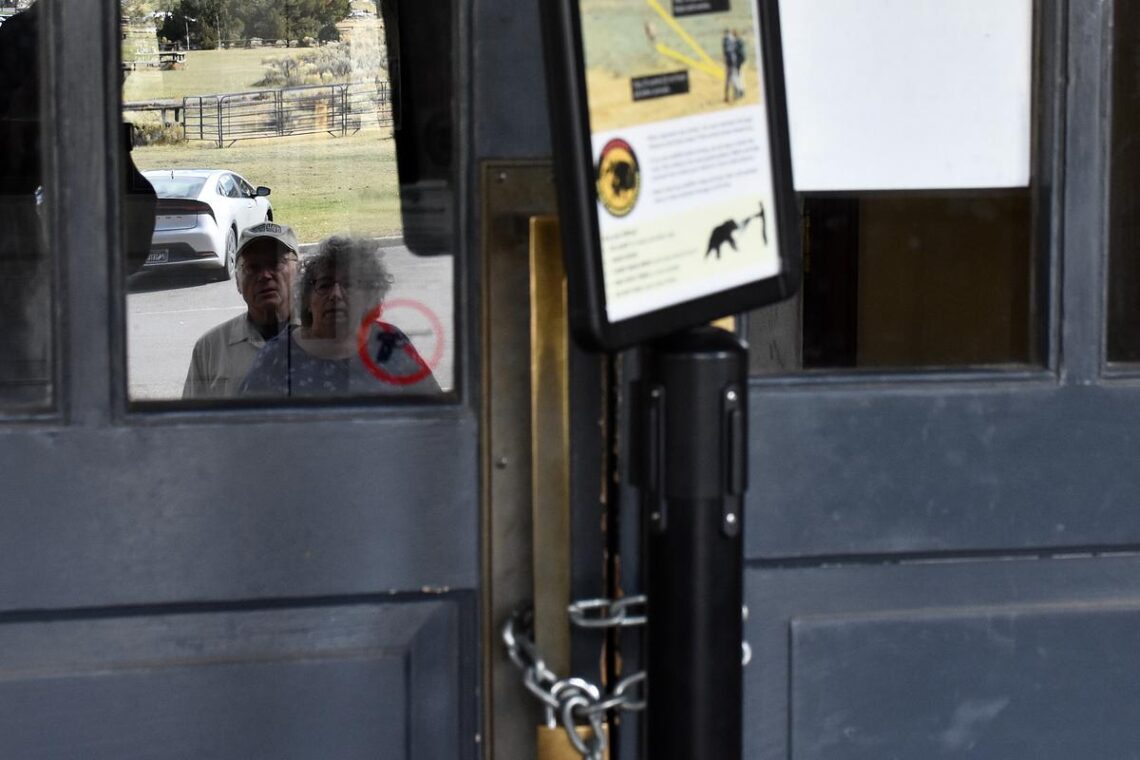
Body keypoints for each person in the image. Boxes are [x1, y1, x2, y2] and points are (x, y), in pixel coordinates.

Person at [240, 234, 440, 397]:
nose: (335, 294)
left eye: (349, 284)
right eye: (324, 285)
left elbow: (434, 412)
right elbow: (245, 427)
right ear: (307, 300)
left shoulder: (390, 341)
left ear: (369, 296)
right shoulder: (277, 357)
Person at [182, 222, 299, 399]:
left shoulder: (324, 337)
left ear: (299, 272)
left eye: (275, 263)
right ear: (237, 281)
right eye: (252, 267)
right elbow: (192, 415)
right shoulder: (210, 348)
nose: (265, 275)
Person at [731, 30, 746, 100]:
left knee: (736, 77)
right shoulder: (739, 42)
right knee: (739, 77)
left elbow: (739, 54)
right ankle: (741, 91)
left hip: (737, 63)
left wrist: (738, 63)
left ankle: (740, 92)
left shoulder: (737, 43)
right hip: (739, 62)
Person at [722, 28, 735, 102]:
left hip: (729, 61)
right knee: (732, 78)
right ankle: (731, 96)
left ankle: (727, 96)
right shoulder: (731, 39)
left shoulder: (725, 40)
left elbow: (725, 52)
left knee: (728, 79)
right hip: (732, 61)